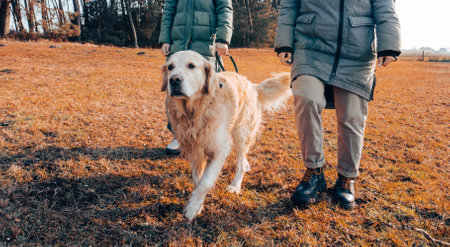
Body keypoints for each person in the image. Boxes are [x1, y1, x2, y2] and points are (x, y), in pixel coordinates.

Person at [274, 0, 401, 209]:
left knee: (352, 114)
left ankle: (346, 177)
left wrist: (389, 44)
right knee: (307, 97)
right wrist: (284, 42)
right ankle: (314, 171)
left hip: (357, 54)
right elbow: (289, 4)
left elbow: (385, 7)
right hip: (310, 47)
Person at [159, 0, 233, 154]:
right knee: (175, 96)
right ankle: (179, 137)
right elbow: (168, 11)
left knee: (208, 95)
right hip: (178, 46)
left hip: (205, 46)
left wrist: (223, 38)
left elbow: (225, 9)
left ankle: (209, 136)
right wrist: (165, 38)